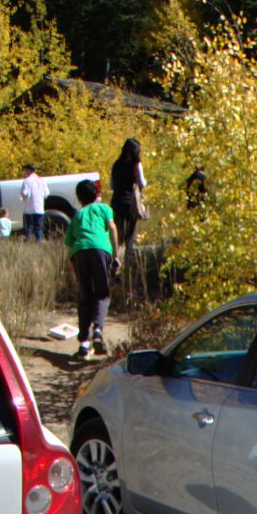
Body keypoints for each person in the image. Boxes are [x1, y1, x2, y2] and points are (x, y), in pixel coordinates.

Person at [64, 177, 118, 359]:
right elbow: (112, 227)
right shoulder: (104, 209)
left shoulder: (77, 216)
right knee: (102, 293)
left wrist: (74, 269)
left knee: (85, 298)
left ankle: (84, 344)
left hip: (80, 254)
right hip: (101, 251)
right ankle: (97, 330)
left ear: (79, 198)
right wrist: (116, 255)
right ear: (97, 194)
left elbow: (70, 244)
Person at [109, 137, 147, 267]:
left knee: (117, 234)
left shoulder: (116, 164)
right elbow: (142, 183)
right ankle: (129, 263)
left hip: (117, 201)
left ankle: (115, 261)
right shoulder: (136, 165)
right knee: (130, 233)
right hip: (131, 202)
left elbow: (111, 185)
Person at [20, 163, 48, 243]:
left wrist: (24, 198)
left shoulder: (26, 181)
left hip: (29, 209)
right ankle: (39, 242)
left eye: (26, 170)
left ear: (29, 170)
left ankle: (28, 243)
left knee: (28, 227)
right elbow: (46, 194)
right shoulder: (41, 180)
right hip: (39, 208)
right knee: (38, 228)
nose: (25, 172)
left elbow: (24, 194)